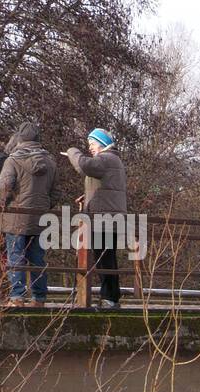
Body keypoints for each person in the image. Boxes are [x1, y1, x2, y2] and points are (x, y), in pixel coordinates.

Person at [0, 122, 57, 308]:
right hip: (40, 218)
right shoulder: (50, 162)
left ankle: (17, 297)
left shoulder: (13, 160)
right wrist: (44, 207)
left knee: (15, 256)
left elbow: (3, 188)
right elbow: (56, 192)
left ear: (20, 138)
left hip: (15, 218)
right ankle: (39, 298)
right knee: (38, 258)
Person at [63, 128, 127, 308]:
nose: (90, 148)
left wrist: (72, 152)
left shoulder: (105, 159)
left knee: (104, 258)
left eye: (92, 144)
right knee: (107, 257)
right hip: (110, 216)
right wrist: (88, 196)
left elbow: (83, 166)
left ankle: (110, 298)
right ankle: (111, 297)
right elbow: (107, 187)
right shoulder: (114, 160)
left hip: (105, 217)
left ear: (102, 143)